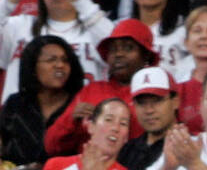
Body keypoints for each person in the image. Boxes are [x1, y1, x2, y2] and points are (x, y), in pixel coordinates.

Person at [0, 0, 114, 106]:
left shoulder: (95, 28)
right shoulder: (20, 27)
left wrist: (82, 2)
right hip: (23, 128)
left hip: (83, 128)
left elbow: (116, 46)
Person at [42, 17, 158, 157]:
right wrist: (70, 120)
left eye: (128, 48)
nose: (119, 54)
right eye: (113, 49)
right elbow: (51, 145)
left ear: (145, 55)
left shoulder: (156, 92)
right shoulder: (92, 90)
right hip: (87, 168)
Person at [0, 34, 84, 167]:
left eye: (65, 60)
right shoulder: (15, 104)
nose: (60, 65)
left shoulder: (79, 104)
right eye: (51, 60)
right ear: (33, 67)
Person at [117, 64, 179, 170]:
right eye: (141, 103)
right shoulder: (126, 150)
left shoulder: (191, 146)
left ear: (175, 102)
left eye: (157, 101)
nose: (149, 110)